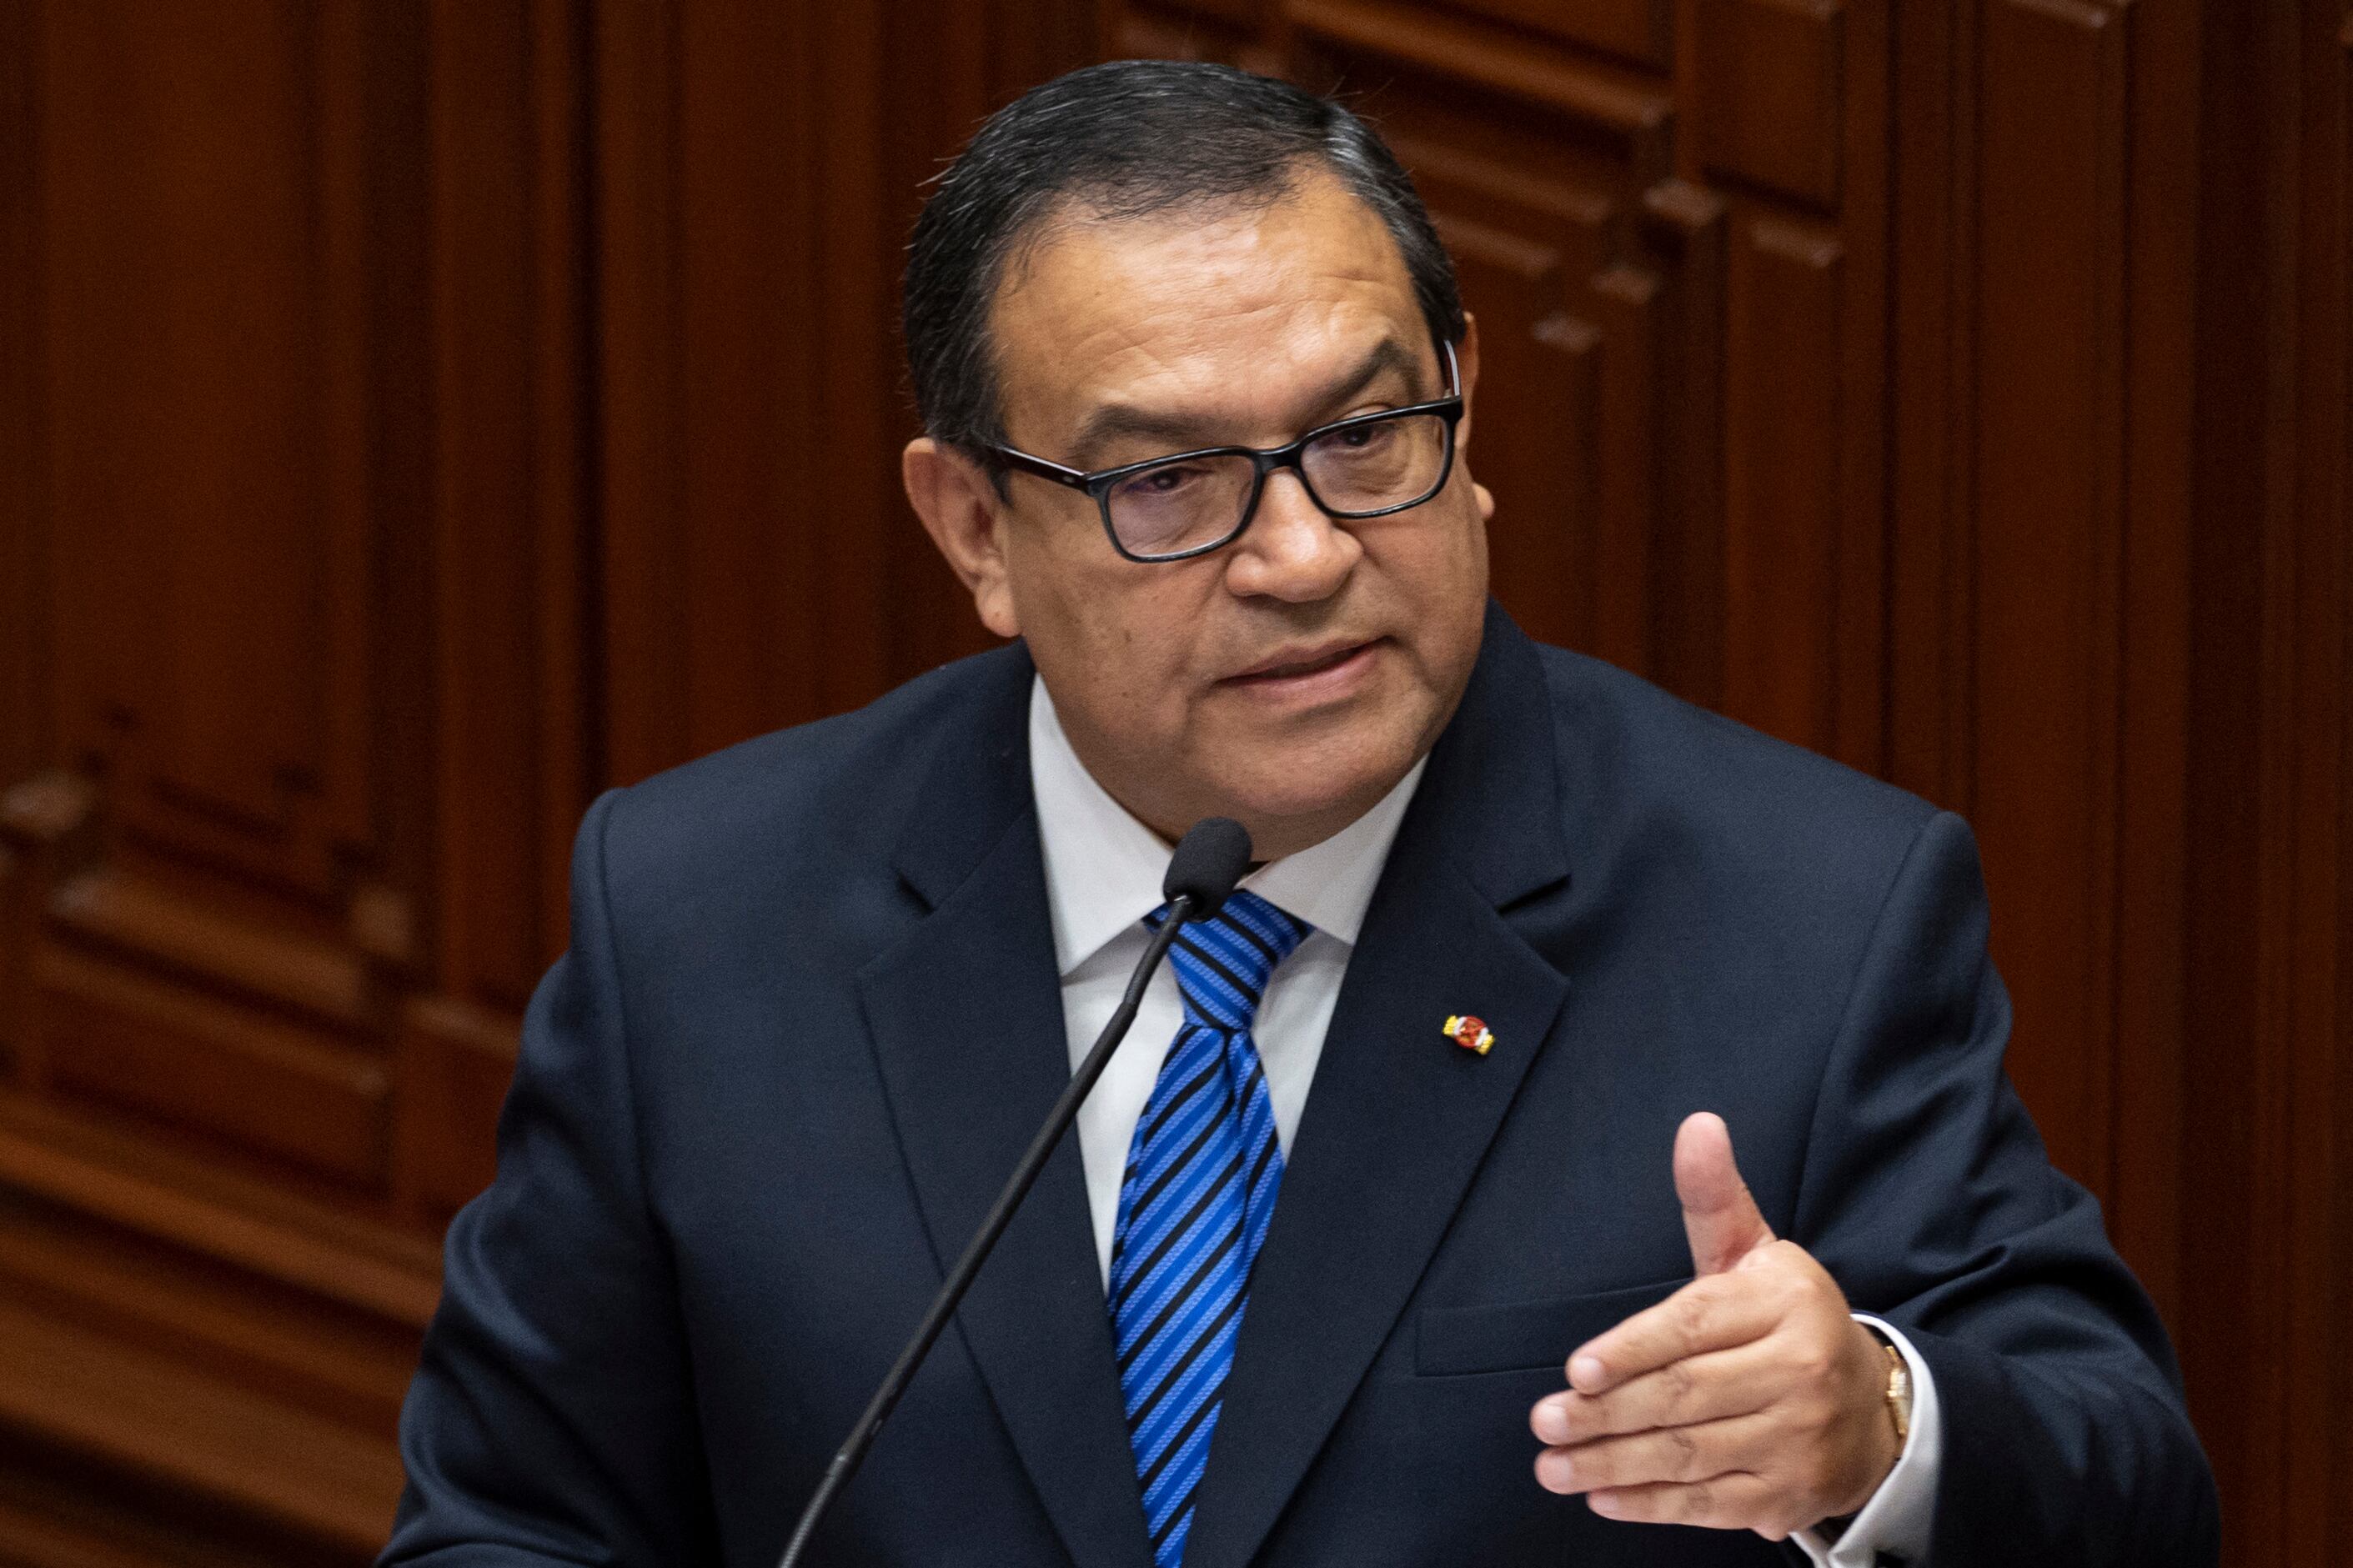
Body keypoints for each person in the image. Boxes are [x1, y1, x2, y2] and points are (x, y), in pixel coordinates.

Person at [380, 61, 2218, 1568]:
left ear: (1467, 406)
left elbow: (2132, 1487)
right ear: (969, 532)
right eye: (1170, 480)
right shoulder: (700, 914)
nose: (1303, 552)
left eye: (1364, 436)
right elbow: (511, 1526)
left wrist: (1875, 1422)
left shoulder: (1808, 915)